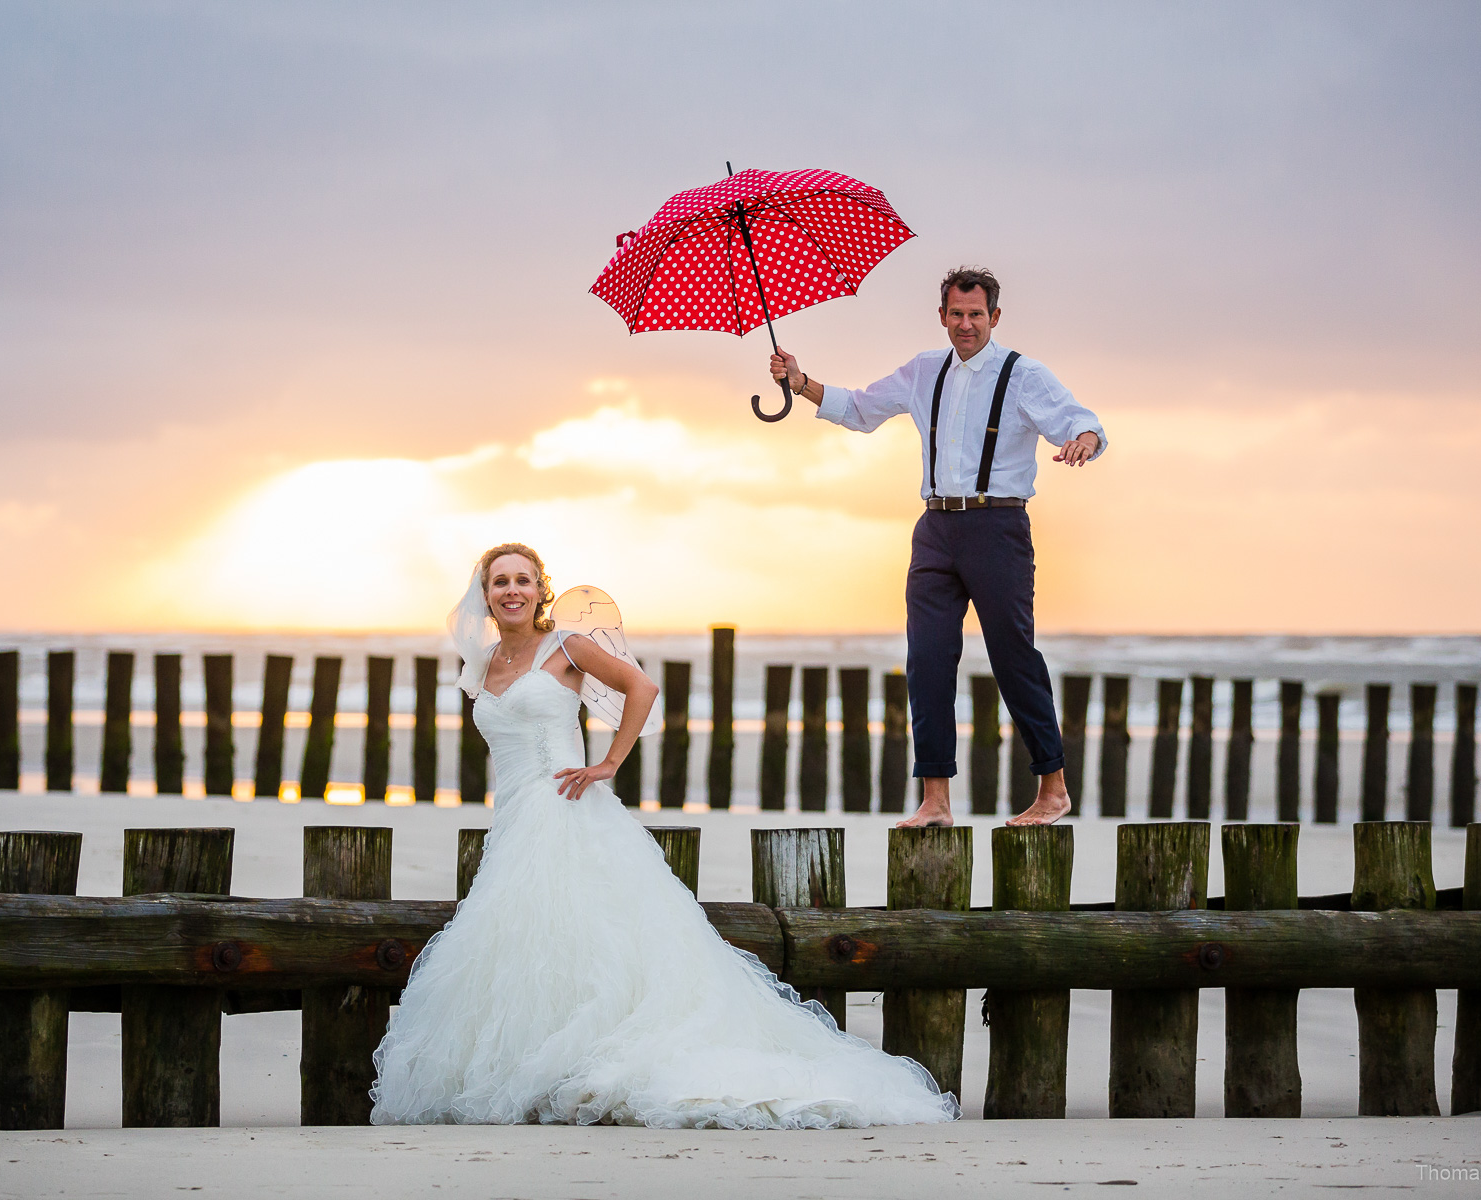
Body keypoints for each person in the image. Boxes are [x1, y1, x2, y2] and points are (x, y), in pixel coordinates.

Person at [368, 543, 957, 1127]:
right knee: (533, 947)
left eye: (524, 580)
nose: (512, 591)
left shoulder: (567, 645)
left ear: (541, 589)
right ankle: (545, 1065)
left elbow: (641, 688)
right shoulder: (486, 662)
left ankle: (592, 1064)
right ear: (486, 596)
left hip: (568, 808)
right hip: (516, 819)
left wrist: (607, 764)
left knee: (600, 942)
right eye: (500, 583)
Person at [771, 267, 1106, 827]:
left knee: (1012, 656)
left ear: (995, 318)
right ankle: (935, 800)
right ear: (943, 315)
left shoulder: (1022, 375)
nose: (966, 324)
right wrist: (801, 381)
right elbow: (859, 408)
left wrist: (1084, 441)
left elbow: (1079, 419)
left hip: (997, 530)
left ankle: (1053, 788)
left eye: (977, 315)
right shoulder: (925, 370)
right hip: (935, 530)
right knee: (926, 659)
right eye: (957, 314)